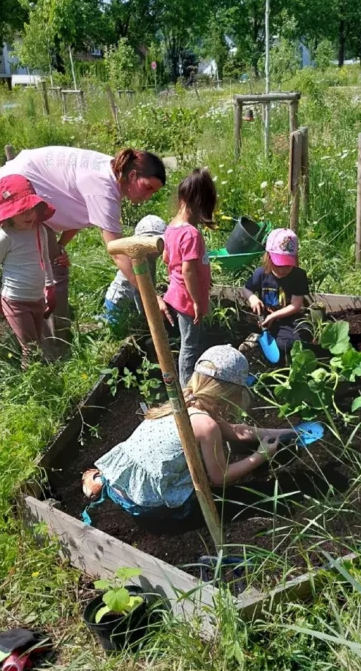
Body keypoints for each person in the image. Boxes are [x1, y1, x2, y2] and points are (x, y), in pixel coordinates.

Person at [81, 345, 286, 521]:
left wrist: (284, 433)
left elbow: (236, 432)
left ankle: (99, 483)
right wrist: (261, 455)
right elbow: (220, 477)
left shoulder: (183, 401)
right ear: (229, 392)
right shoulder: (207, 426)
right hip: (145, 503)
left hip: (120, 480)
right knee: (193, 496)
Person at [0, 147, 166, 329]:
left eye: (153, 193)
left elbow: (77, 208)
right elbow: (119, 252)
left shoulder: (114, 170)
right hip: (15, 191)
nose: (148, 196)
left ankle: (51, 332)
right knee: (51, 270)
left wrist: (60, 244)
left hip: (26, 179)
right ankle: (53, 343)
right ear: (132, 175)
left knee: (56, 262)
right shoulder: (104, 188)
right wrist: (151, 296)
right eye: (147, 187)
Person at [0, 175, 56, 364]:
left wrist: (50, 286)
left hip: (37, 299)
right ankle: (33, 385)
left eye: (31, 209)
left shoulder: (39, 230)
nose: (29, 215)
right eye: (22, 210)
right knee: (31, 348)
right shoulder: (5, 237)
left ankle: (37, 382)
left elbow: (45, 260)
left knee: (37, 343)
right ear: (9, 213)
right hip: (15, 301)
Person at [159, 168, 216, 387]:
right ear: (202, 202)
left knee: (189, 340)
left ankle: (188, 383)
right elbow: (188, 270)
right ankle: (186, 389)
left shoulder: (172, 226)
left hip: (176, 292)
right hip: (187, 298)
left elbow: (166, 258)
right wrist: (197, 301)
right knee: (190, 345)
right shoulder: (191, 234)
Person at [242, 228, 310, 356]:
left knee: (302, 338)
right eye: (279, 265)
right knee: (283, 345)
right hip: (265, 319)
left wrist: (274, 316)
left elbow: (296, 304)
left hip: (288, 319)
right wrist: (253, 299)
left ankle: (265, 341)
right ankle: (258, 340)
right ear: (268, 257)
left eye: (287, 265)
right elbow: (246, 288)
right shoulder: (261, 273)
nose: (283, 270)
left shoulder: (298, 276)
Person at [103, 214, 167, 327]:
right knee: (116, 326)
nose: (159, 251)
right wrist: (146, 315)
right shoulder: (137, 261)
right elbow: (140, 291)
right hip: (118, 303)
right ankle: (102, 320)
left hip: (131, 301)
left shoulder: (149, 259)